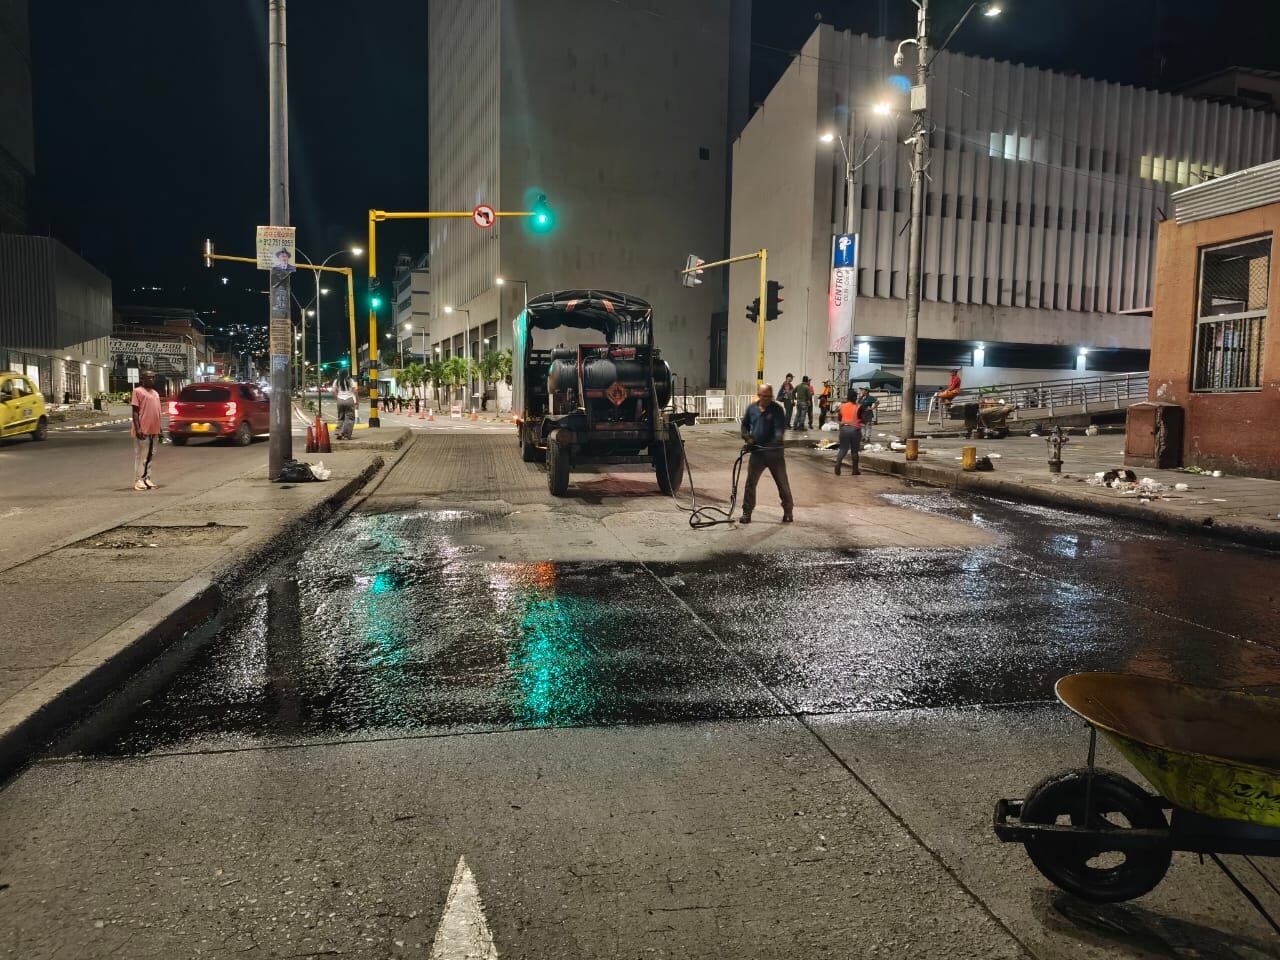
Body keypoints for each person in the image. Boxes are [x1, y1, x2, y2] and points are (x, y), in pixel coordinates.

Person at [739, 383, 793, 524]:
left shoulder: (777, 409)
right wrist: (747, 437)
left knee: (782, 483)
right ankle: (747, 512)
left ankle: (788, 511)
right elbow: (745, 425)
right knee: (750, 483)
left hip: (774, 453)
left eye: (770, 396)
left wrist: (778, 438)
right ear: (759, 395)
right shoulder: (752, 409)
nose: (768, 399)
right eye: (765, 396)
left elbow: (779, 427)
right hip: (757, 452)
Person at [130, 371, 163, 491]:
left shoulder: (155, 393)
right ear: (142, 379)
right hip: (143, 429)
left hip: (154, 429)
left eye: (153, 378)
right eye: (148, 378)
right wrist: (138, 428)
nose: (151, 380)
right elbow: (135, 411)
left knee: (150, 455)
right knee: (141, 455)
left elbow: (157, 411)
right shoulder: (137, 391)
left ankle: (147, 478)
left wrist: (160, 430)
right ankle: (138, 480)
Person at [835, 388, 863, 476]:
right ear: (855, 398)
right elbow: (862, 419)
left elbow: (839, 418)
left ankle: (838, 463)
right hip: (855, 431)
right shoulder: (858, 407)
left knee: (843, 449)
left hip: (844, 430)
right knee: (854, 451)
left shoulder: (842, 406)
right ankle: (855, 470)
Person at [333, 370, 358, 440]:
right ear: (347, 374)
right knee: (350, 418)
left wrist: (337, 399)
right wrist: (357, 402)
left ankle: (339, 432)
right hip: (349, 399)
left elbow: (334, 391)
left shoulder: (336, 381)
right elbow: (355, 391)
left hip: (340, 399)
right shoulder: (351, 381)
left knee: (341, 417)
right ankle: (346, 435)